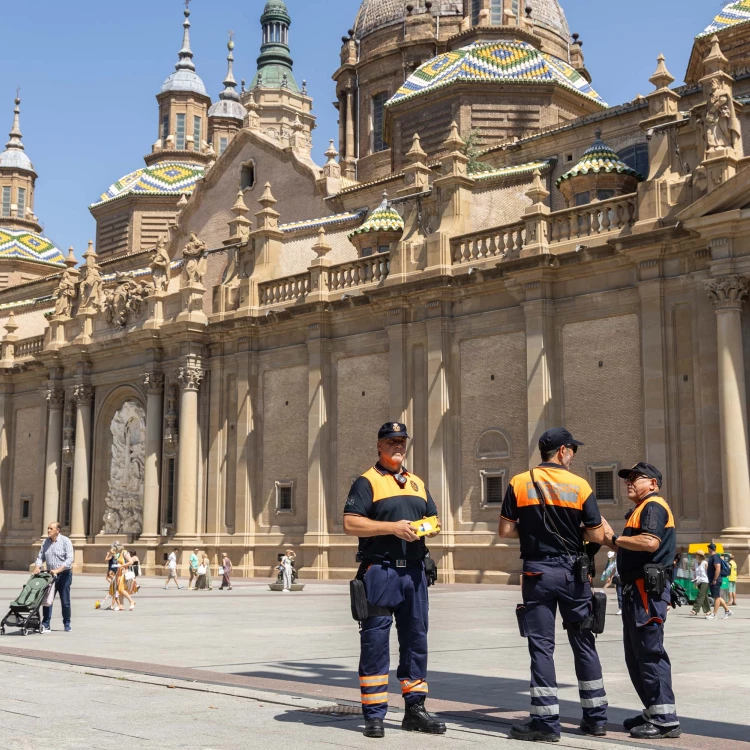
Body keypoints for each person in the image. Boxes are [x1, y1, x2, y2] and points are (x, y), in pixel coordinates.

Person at [498, 428, 608, 742]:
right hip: (574, 572)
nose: (573, 455)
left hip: (538, 573)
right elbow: (598, 535)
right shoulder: (580, 485)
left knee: (542, 648)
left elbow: (505, 530)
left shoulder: (520, 482)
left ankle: (546, 724)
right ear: (562, 451)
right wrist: (577, 534)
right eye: (572, 449)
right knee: (584, 642)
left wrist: (533, 532)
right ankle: (596, 719)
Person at [343, 422, 445, 739]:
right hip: (381, 571)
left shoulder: (416, 483)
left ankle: (415, 710)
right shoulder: (367, 482)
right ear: (379, 446)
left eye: (401, 441)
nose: (397, 446)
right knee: (375, 642)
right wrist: (393, 528)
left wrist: (424, 529)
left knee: (416, 641)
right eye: (391, 442)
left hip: (414, 572)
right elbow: (350, 523)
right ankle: (374, 715)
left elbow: (434, 520)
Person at [604, 462, 680, 739]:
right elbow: (632, 544)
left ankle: (665, 719)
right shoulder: (639, 510)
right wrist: (608, 537)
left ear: (653, 484)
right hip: (636, 590)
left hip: (646, 590)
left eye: (637, 478)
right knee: (636, 655)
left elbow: (650, 543)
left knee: (649, 652)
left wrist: (614, 537)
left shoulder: (653, 507)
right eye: (628, 478)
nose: (630, 482)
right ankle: (653, 707)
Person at [33, 522, 74, 633]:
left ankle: (67, 623)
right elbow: (40, 557)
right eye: (48, 528)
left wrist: (58, 570)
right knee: (47, 600)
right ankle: (46, 624)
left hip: (64, 575)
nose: (48, 530)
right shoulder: (45, 542)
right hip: (50, 576)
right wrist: (37, 566)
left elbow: (69, 559)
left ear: (58, 530)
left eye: (51, 528)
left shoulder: (66, 541)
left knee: (65, 601)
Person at [707, 543, 732, 620]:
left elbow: (718, 568)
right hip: (714, 580)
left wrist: (715, 579)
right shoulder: (713, 557)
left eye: (708, 548)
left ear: (710, 549)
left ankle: (714, 614)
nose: (708, 550)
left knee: (716, 597)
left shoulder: (715, 557)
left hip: (716, 580)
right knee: (717, 596)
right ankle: (727, 611)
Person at [108, 542, 136, 611]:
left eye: (114, 548)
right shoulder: (119, 554)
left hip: (124, 573)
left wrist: (122, 566)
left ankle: (131, 601)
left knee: (121, 589)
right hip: (119, 573)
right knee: (119, 590)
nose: (114, 550)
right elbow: (117, 562)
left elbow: (131, 562)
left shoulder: (125, 552)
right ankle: (121, 605)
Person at [690, 550, 710, 617]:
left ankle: (695, 609)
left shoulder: (705, 563)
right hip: (698, 581)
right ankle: (708, 611)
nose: (696, 556)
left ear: (700, 556)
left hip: (705, 581)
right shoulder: (696, 563)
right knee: (704, 596)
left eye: (697, 554)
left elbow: (708, 572)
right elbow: (694, 571)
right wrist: (694, 578)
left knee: (700, 595)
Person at [602, 550, 622, 615]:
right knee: (619, 594)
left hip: (624, 577)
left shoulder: (623, 558)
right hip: (618, 578)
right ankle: (621, 608)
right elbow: (614, 569)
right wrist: (610, 577)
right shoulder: (616, 560)